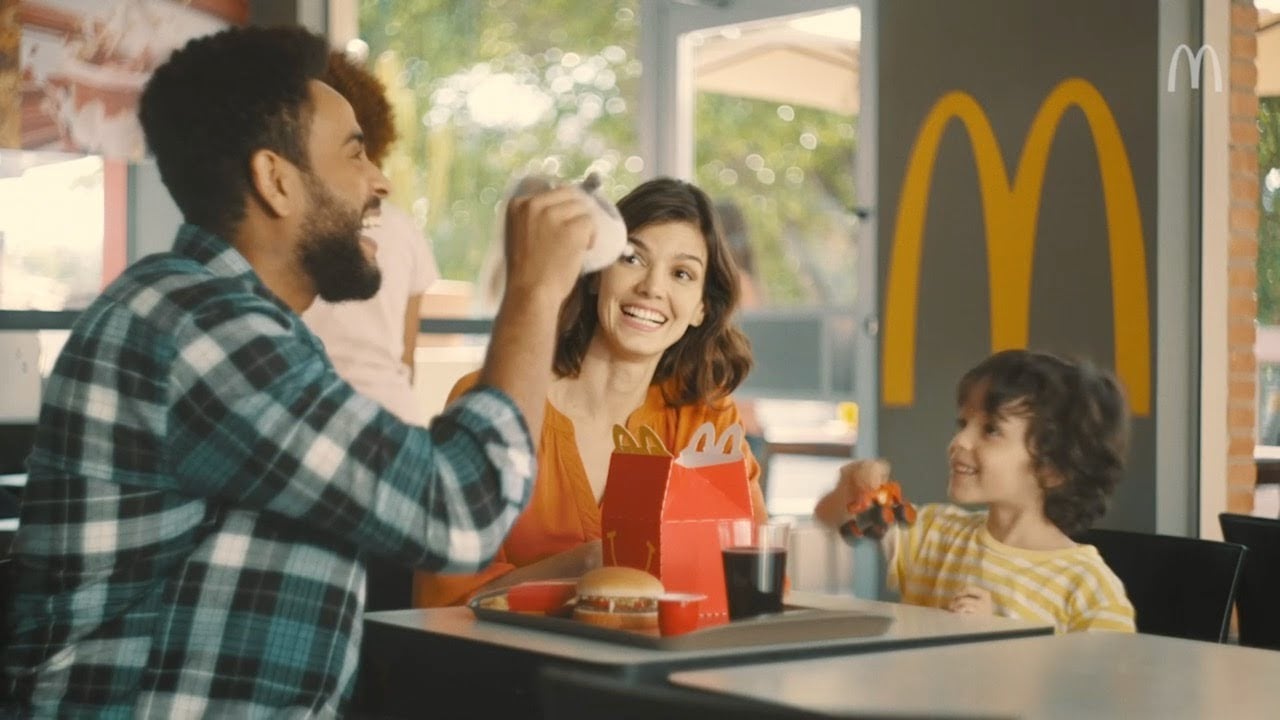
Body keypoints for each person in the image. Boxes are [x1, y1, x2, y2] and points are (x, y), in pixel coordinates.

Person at [2, 25, 596, 716]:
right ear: (276, 180)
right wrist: (534, 292)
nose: (380, 180)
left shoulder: (232, 322)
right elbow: (461, 511)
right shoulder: (198, 328)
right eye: (354, 153)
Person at [414, 177, 768, 607]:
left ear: (701, 308)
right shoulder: (490, 401)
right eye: (632, 258)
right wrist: (586, 565)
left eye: (681, 273)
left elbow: (749, 583)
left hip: (657, 665)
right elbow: (441, 600)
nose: (652, 288)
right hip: (511, 666)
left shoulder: (706, 421)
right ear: (597, 275)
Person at [813, 349, 1136, 633]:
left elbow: (1100, 690)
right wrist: (853, 484)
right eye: (962, 423)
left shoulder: (1087, 588)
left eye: (991, 430)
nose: (960, 442)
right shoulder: (933, 533)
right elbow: (830, 518)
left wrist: (996, 635)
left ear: (1053, 468)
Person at [302, 49, 439, 425]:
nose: (383, 184)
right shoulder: (406, 231)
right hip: (392, 414)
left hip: (314, 418)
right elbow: (405, 360)